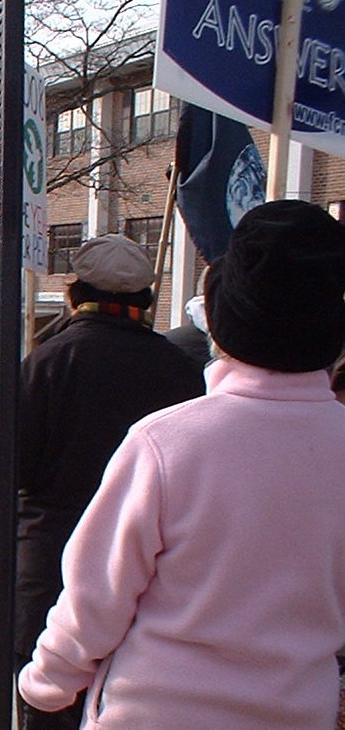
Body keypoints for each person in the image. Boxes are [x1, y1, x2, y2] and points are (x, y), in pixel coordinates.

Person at [18, 200, 345, 728]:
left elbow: (96, 599)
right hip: (298, 709)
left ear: (220, 314)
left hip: (156, 709)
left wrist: (47, 682)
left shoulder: (168, 441)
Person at [14, 233, 205, 729]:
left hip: (54, 551)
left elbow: (5, 459)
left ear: (75, 295)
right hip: (156, 565)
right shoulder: (182, 369)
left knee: (48, 701)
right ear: (144, 300)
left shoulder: (48, 361)